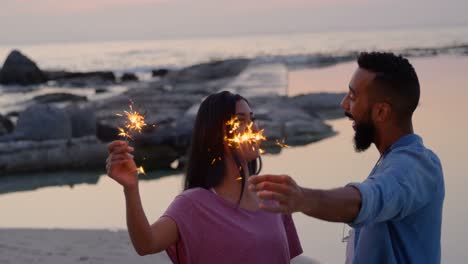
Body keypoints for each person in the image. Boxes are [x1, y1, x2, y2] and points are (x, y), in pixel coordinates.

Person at [249, 52, 445, 263]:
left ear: (381, 112)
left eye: (353, 97)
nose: (344, 104)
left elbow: (366, 201)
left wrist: (302, 199)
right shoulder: (392, 159)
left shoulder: (413, 168)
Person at [106, 91, 302, 264]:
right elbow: (146, 244)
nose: (254, 130)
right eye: (241, 121)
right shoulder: (194, 204)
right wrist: (130, 188)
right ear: (216, 134)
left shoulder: (273, 195)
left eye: (251, 120)